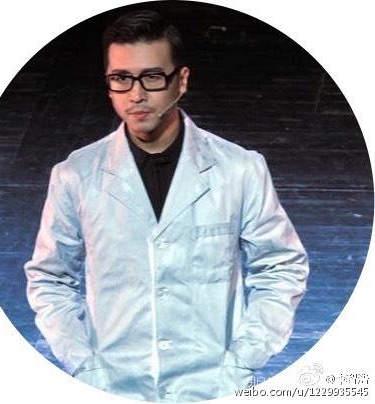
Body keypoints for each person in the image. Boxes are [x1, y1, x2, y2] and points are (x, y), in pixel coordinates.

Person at [24, 9, 309, 402]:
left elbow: (281, 267)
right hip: (111, 383)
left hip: (214, 385)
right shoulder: (76, 175)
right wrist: (84, 365)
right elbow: (51, 278)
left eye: (152, 77)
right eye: (121, 78)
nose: (136, 94)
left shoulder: (239, 169)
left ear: (182, 80)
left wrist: (242, 361)